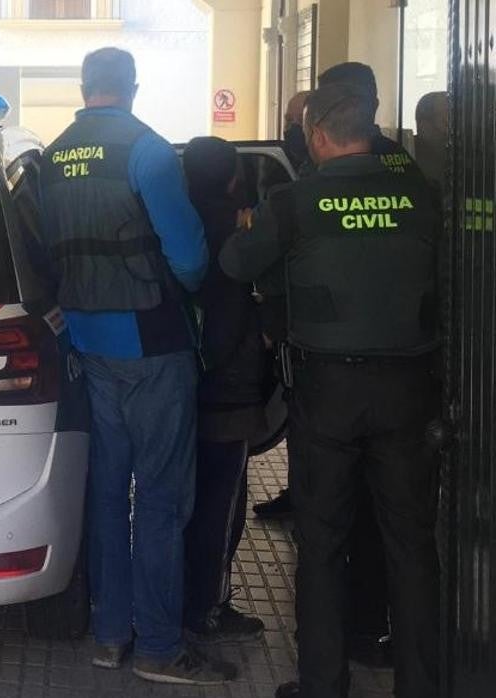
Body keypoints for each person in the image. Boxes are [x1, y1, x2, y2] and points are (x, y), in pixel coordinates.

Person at [220, 82, 442, 698]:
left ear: (317, 135)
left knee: (321, 541)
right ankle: (420, 684)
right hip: (408, 389)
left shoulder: (298, 200)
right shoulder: (420, 196)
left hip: (329, 392)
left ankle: (323, 684)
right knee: (412, 544)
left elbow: (237, 263)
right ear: (370, 130)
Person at [39, 47, 235, 685]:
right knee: (158, 499)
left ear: (84, 86)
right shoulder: (148, 151)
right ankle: (157, 646)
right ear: (132, 88)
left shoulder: (52, 156)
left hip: (88, 344)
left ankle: (108, 635)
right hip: (152, 344)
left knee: (105, 493)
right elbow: (188, 257)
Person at [180, 137, 268, 645]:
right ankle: (206, 608)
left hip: (176, 382)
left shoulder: (174, 226)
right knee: (223, 501)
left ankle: (180, 596)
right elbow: (243, 311)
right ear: (233, 178)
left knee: (183, 497)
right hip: (226, 392)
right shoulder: (240, 232)